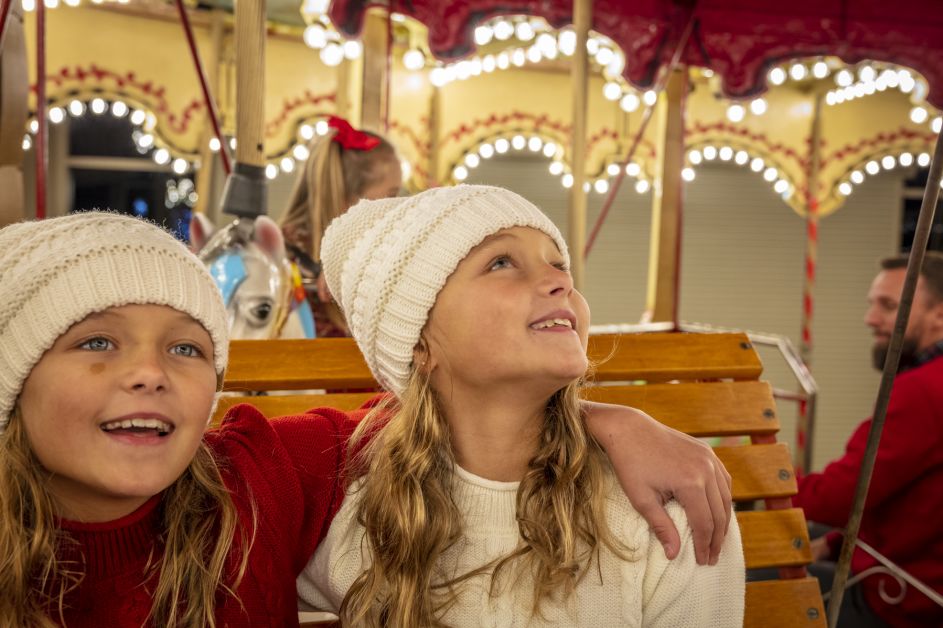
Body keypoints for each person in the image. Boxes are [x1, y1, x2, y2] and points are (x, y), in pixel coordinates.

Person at [0, 211, 733, 626]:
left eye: (188, 348)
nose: (149, 371)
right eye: (96, 341)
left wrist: (602, 420)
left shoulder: (257, 480)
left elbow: (465, 424)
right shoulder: (300, 487)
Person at [297, 185, 745, 626]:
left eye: (558, 263)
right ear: (418, 343)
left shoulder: (670, 507)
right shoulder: (358, 522)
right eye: (501, 262)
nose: (562, 280)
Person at [794, 253, 943, 628]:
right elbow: (910, 500)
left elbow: (839, 497)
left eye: (888, 306)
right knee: (809, 536)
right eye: (872, 304)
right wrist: (833, 543)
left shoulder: (923, 390)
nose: (870, 318)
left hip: (905, 599)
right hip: (914, 566)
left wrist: (755, 474)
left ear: (939, 315)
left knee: (746, 584)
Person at [279, 116, 402, 337]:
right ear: (347, 199)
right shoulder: (284, 260)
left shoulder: (379, 253)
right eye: (391, 196)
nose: (396, 208)